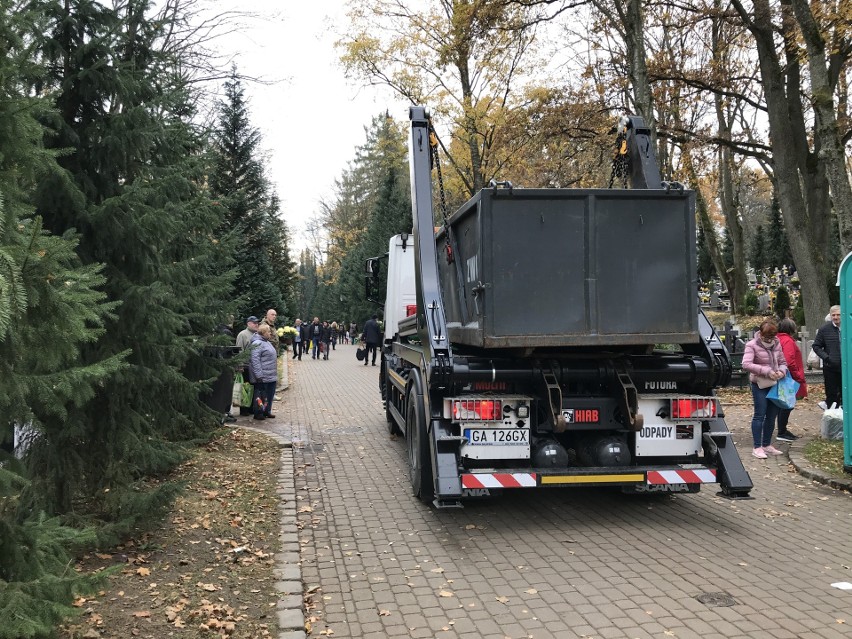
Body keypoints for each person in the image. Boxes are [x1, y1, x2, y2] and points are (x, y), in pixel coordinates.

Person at [742, 319, 788, 459]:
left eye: (772, 337)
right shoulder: (752, 345)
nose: (769, 339)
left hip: (775, 383)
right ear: (760, 333)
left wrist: (781, 371)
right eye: (766, 336)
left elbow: (783, 362)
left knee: (772, 415)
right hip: (760, 383)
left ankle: (767, 444)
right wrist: (766, 371)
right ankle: (757, 447)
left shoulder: (777, 343)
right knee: (760, 415)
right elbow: (746, 364)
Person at [776, 318, 806, 442]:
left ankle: (782, 430)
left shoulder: (779, 338)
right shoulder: (787, 341)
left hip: (782, 375)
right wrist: (798, 376)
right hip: (788, 377)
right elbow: (789, 360)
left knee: (783, 404)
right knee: (787, 404)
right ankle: (782, 431)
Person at [812, 305, 841, 409]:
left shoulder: (848, 327)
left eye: (838, 315)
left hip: (846, 367)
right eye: (833, 315)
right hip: (830, 368)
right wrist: (827, 357)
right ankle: (832, 415)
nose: (836, 317)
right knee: (832, 393)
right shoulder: (825, 329)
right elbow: (816, 346)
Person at [248, 324, 277, 420]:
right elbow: (254, 360)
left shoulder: (266, 342)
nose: (270, 333)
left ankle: (266, 410)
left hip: (271, 375)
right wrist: (259, 375)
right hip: (262, 376)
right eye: (269, 332)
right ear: (263, 332)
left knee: (269, 394)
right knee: (260, 395)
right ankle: (259, 412)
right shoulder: (257, 343)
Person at [235, 316, 260, 415]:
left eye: (257, 323)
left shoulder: (257, 334)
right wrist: (239, 365)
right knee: (244, 388)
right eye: (254, 323)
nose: (256, 324)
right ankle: (244, 409)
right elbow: (239, 350)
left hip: (253, 366)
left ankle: (250, 407)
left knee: (251, 388)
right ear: (248, 323)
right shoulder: (243, 334)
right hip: (245, 366)